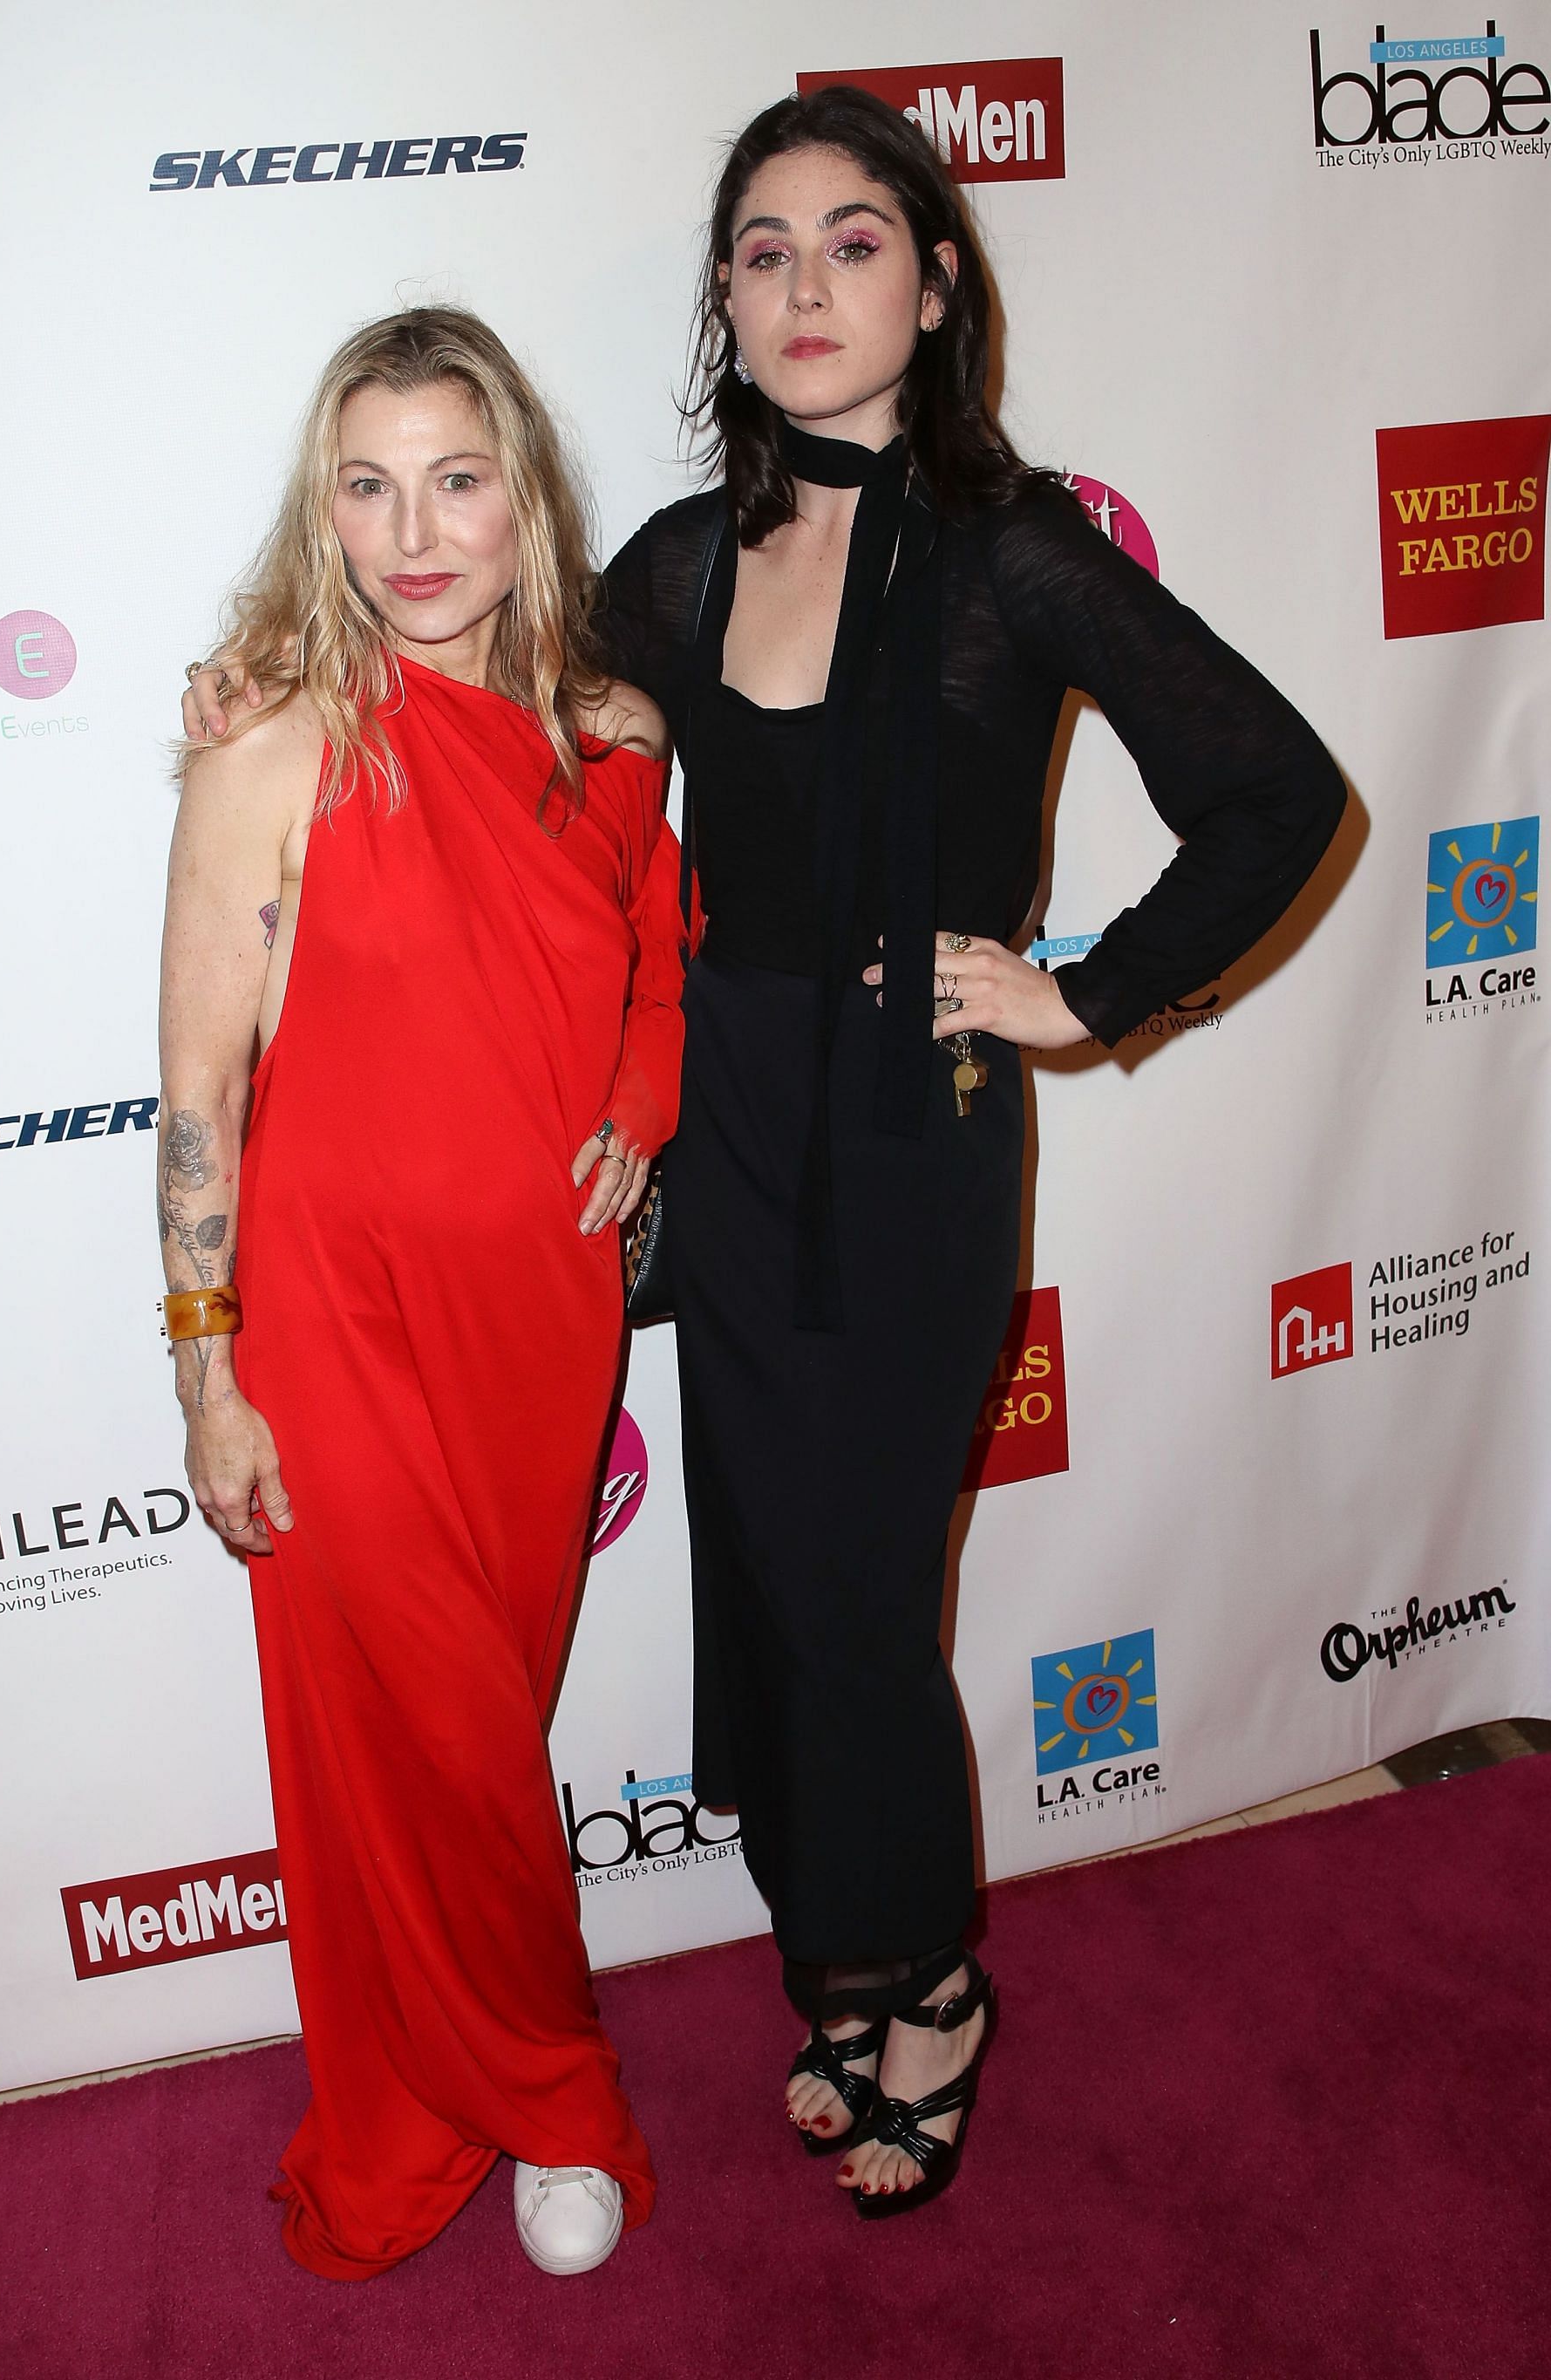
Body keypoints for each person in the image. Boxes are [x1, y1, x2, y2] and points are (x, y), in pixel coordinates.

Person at [185, 88, 1345, 2222]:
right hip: (718, 1146)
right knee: (762, 1578)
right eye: (762, 251)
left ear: (936, 279)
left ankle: (934, 1994)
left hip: (909, 1151)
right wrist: (287, 669)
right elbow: (514, 735)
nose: (806, 287)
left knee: (860, 1595)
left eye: (852, 242)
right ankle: (839, 1949)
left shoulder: (1016, 550)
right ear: (724, 301)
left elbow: (1277, 788)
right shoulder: (685, 559)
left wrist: (1093, 992)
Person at [159, 306, 682, 2279]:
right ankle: (551, 2097)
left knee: (485, 1729)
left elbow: (655, 959)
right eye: (366, 488)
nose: (415, 531)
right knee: (441, 1737)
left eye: (455, 477)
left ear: (521, 490)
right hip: (330, 1328)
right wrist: (210, 1375)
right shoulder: (270, 746)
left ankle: (477, 2069)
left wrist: (642, 1099)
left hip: (538, 1330)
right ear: (327, 511)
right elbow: (202, 1089)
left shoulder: (617, 734)